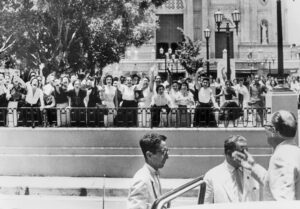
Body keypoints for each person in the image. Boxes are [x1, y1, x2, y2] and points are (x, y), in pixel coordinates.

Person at [236, 110, 300, 201]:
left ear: (273, 130)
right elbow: (272, 182)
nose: (265, 132)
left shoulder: (281, 157)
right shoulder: (295, 152)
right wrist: (253, 166)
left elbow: (283, 200)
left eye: (266, 126)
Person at [204, 135, 261, 203]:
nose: (246, 155)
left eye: (247, 150)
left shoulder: (254, 174)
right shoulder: (212, 176)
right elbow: (205, 205)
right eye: (241, 151)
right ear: (228, 152)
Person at [127, 133, 169, 209]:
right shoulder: (142, 180)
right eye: (163, 152)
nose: (167, 156)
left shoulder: (154, 174)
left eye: (167, 151)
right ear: (149, 155)